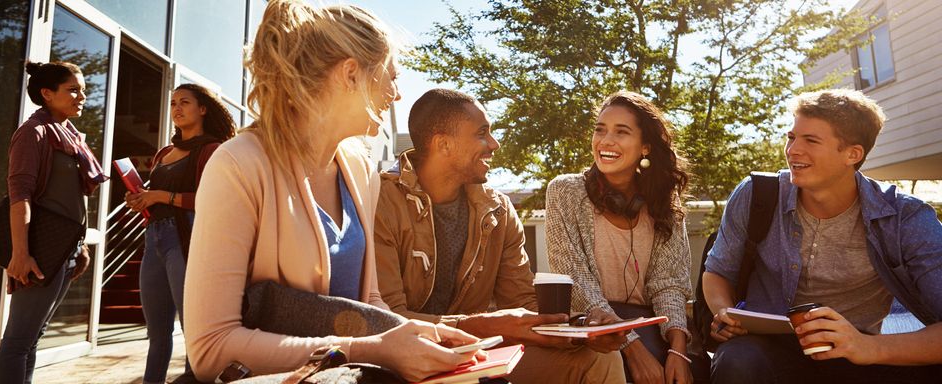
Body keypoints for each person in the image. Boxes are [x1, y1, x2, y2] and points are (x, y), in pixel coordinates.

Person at [183, 1, 481, 382]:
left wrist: (422, 336)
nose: (397, 94)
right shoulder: (237, 165)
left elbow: (367, 304)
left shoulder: (360, 168)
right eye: (391, 77)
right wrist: (365, 350)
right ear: (351, 74)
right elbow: (211, 349)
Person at [374, 88, 629, 383]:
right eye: (482, 134)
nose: (493, 144)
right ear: (443, 144)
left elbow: (522, 302)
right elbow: (386, 318)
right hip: (404, 364)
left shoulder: (497, 210)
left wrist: (582, 327)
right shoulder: (382, 200)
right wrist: (480, 326)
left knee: (599, 358)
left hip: (475, 357)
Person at [702, 89, 942, 384]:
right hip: (765, 348)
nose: (792, 150)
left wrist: (867, 347)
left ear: (852, 154)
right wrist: (725, 312)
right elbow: (716, 272)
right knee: (738, 360)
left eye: (810, 140)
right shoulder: (757, 194)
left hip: (856, 350)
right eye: (791, 137)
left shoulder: (906, 217)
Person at [546, 91, 698, 384]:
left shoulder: (665, 203)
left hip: (652, 324)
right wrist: (631, 346)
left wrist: (678, 350)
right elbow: (576, 279)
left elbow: (670, 284)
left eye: (621, 132)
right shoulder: (565, 192)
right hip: (593, 325)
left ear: (645, 147)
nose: (605, 141)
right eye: (600, 130)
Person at [0, 61, 107, 383]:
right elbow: (21, 197)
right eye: (72, 90)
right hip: (39, 251)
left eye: (82, 90)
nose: (81, 96)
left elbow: (71, 198)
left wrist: (80, 245)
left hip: (65, 251)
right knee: (18, 341)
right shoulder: (34, 133)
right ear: (47, 94)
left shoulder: (69, 136)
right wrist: (20, 253)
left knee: (32, 338)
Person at [124, 83, 236, 384]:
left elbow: (209, 200)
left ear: (203, 109)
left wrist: (160, 196)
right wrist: (142, 198)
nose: (177, 107)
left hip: (186, 240)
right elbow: (156, 196)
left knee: (193, 328)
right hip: (153, 238)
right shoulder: (163, 153)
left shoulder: (212, 150)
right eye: (173, 102)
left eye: (185, 102)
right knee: (157, 332)